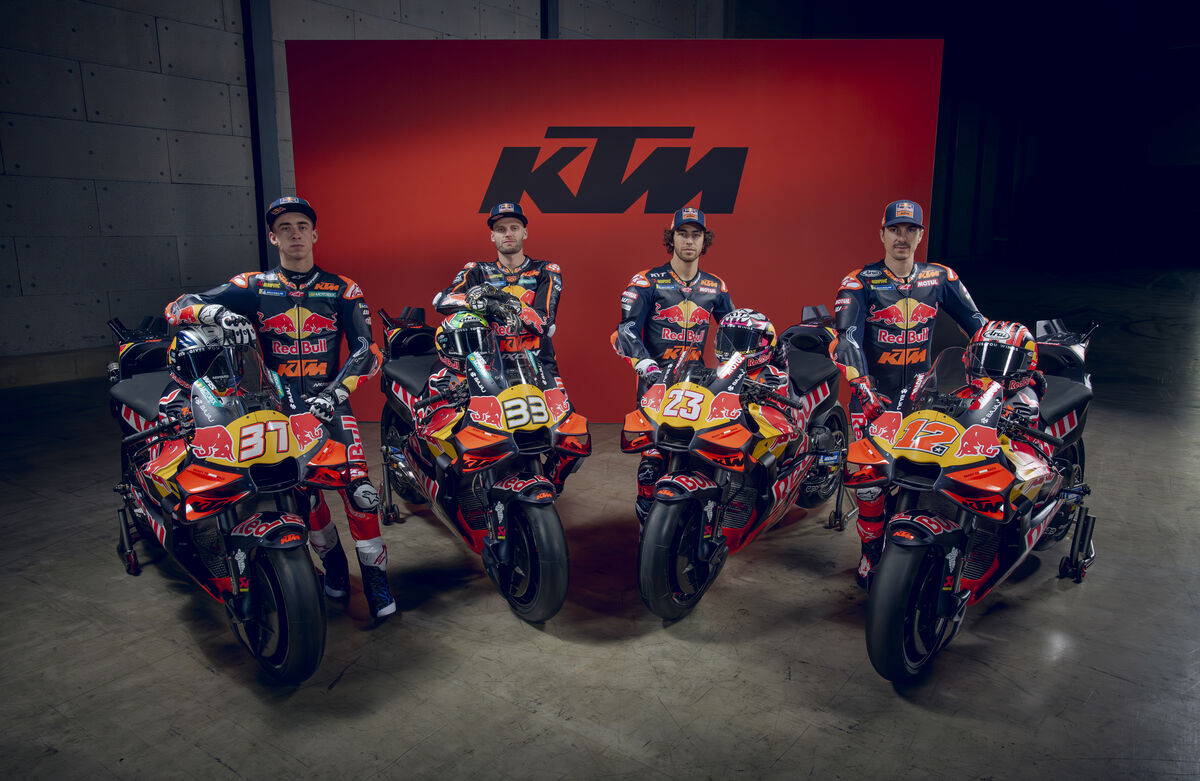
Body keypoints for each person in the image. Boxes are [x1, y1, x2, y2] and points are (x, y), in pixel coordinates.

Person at [165, 196, 395, 621]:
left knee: (361, 495)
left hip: (331, 405)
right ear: (273, 238)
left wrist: (334, 394)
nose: (294, 234)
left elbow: (368, 351)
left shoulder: (342, 288)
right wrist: (214, 313)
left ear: (315, 234)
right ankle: (335, 570)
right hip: (279, 411)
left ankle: (377, 585)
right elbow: (177, 307)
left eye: (302, 226)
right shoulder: (252, 285)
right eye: (284, 228)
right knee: (304, 494)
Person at [832, 199, 988, 589]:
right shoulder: (859, 281)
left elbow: (977, 325)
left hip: (921, 399)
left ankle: (909, 552)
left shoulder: (940, 278)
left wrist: (1002, 354)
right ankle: (870, 552)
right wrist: (862, 386)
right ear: (882, 234)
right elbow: (846, 338)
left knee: (915, 477)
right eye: (895, 229)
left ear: (920, 235)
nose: (902, 237)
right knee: (870, 484)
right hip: (872, 398)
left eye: (910, 230)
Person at [432, 202, 584, 492]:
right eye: (501, 229)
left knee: (570, 442)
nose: (508, 234)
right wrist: (478, 301)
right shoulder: (476, 269)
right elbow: (442, 300)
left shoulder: (546, 270)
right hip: (488, 367)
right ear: (492, 236)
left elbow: (543, 324)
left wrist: (500, 300)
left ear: (525, 232)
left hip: (537, 365)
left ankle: (551, 483)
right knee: (478, 437)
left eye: (514, 227)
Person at [613, 206, 735, 522]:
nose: (689, 241)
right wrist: (645, 364)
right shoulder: (646, 281)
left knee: (698, 457)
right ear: (672, 238)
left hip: (697, 387)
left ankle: (688, 525)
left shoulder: (716, 287)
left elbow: (733, 332)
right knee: (651, 464)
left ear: (705, 240)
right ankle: (647, 523)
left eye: (696, 235)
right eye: (682, 234)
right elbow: (625, 330)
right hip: (655, 383)